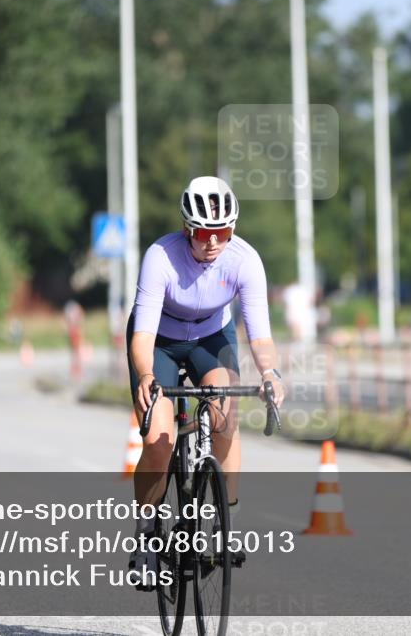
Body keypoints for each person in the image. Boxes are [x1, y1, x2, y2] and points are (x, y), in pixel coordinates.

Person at [126, 176, 286, 588]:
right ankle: (145, 537)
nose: (213, 242)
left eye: (223, 232)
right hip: (159, 341)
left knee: (225, 415)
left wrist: (269, 373)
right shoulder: (160, 257)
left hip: (211, 338)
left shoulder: (245, 260)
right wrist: (146, 375)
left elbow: (260, 334)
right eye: (203, 233)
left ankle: (222, 523)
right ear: (186, 229)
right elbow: (142, 335)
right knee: (158, 440)